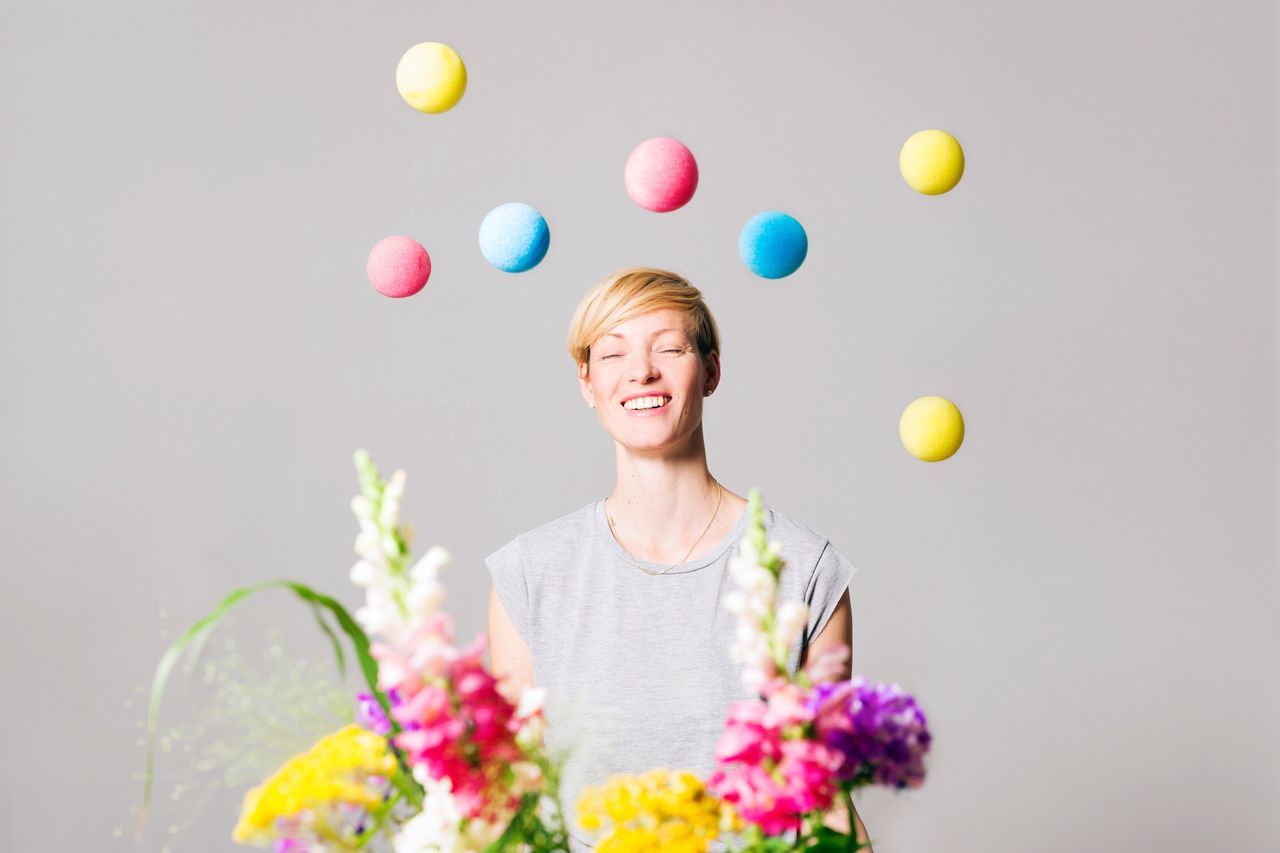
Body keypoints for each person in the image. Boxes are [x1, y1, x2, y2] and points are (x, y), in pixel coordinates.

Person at [485, 267, 869, 851]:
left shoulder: (802, 569)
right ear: (587, 383)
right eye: (612, 354)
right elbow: (512, 799)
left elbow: (825, 797)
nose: (642, 371)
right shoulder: (531, 576)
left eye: (668, 347)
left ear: (711, 371)